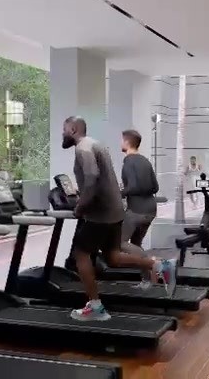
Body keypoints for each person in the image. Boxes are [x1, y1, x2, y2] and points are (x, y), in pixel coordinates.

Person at [62, 116, 176, 321]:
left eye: (64, 129)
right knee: (113, 256)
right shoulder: (97, 145)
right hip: (116, 210)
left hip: (100, 213)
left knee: (81, 254)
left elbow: (92, 178)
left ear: (73, 129)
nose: (63, 133)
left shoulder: (83, 148)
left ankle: (95, 307)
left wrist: (80, 207)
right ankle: (159, 265)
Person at [119, 129, 161, 290]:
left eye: (122, 140)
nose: (120, 143)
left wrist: (119, 193)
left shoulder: (128, 161)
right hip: (150, 210)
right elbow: (155, 187)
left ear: (127, 142)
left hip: (136, 211)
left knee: (119, 242)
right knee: (136, 244)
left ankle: (154, 263)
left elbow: (133, 186)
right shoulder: (145, 161)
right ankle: (147, 281)